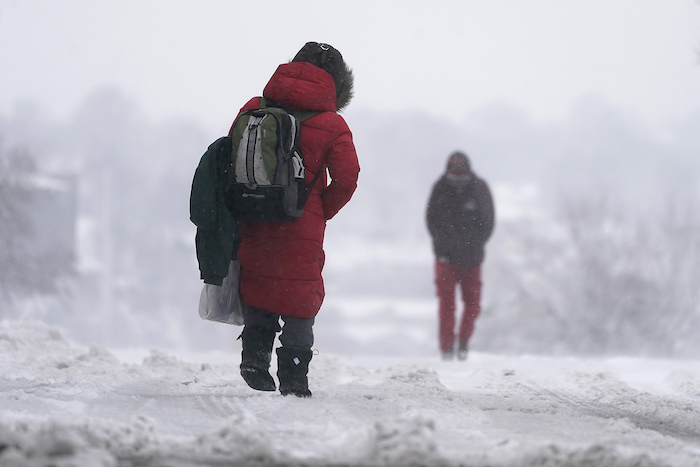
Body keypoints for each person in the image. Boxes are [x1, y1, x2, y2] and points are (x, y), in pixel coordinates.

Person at [231, 42, 359, 397]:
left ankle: (254, 360)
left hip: (254, 213)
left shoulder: (254, 108)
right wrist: (319, 211)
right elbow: (347, 179)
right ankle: (294, 378)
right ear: (336, 83)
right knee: (301, 298)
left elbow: (231, 155)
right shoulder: (333, 124)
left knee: (259, 284)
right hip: (303, 222)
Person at [426, 151, 494, 361]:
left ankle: (463, 342)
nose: (457, 175)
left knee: (473, 304)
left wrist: (475, 245)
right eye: (453, 171)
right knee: (447, 305)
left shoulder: (480, 189)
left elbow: (488, 221)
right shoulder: (439, 188)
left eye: (461, 171)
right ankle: (447, 349)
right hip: (445, 259)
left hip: (472, 259)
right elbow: (431, 221)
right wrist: (442, 247)